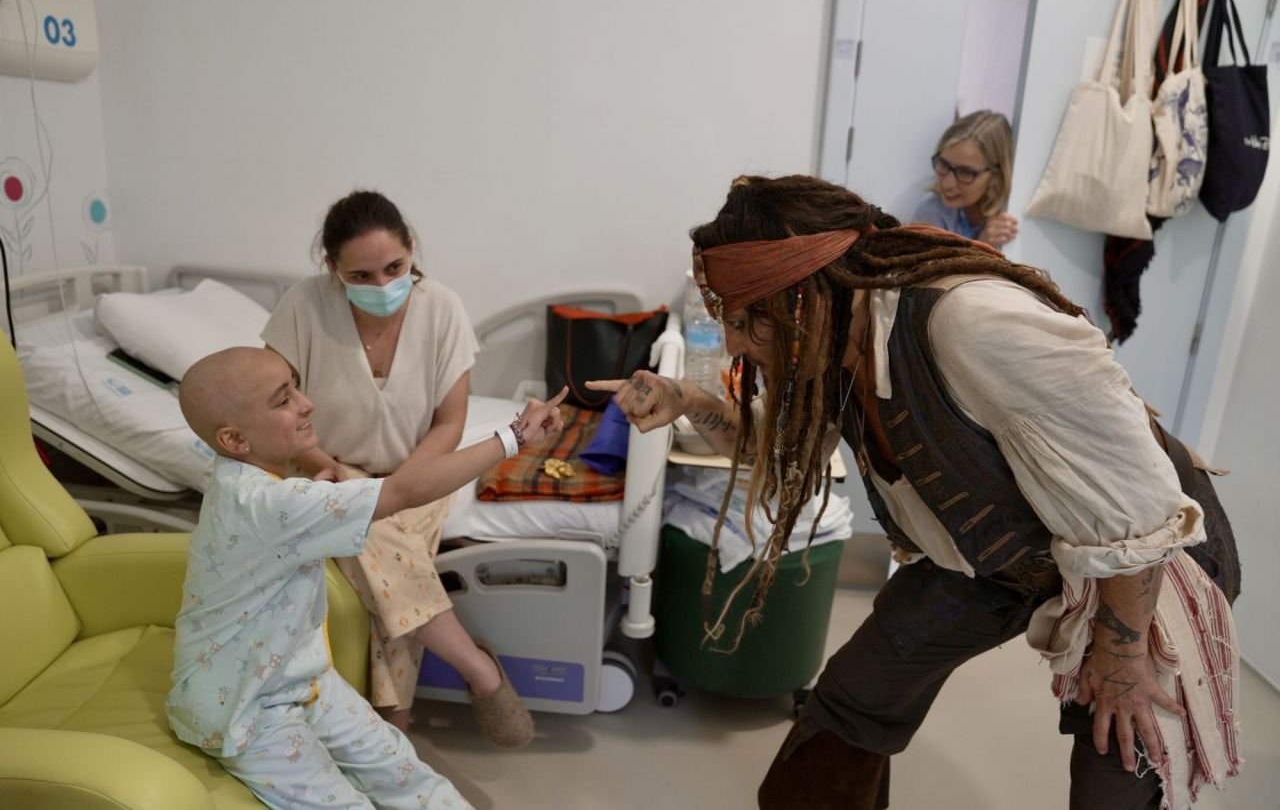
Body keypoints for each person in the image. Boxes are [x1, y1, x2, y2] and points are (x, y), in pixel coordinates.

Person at [588, 175, 1240, 810]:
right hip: (992, 555)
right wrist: (688, 400)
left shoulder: (970, 320)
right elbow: (776, 445)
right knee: (854, 697)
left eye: (743, 321)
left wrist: (1121, 656)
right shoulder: (835, 343)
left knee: (1117, 757)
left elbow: (1138, 507)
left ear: (804, 297)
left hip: (1142, 561)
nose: (733, 343)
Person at [168, 346, 565, 809]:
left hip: (304, 680)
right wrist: (515, 436)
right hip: (243, 708)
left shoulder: (255, 483)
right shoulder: (270, 504)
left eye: (297, 387)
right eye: (284, 400)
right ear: (235, 439)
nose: (307, 403)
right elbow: (403, 491)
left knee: (407, 773)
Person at [262, 190, 534, 745]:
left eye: (394, 267)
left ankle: (393, 729)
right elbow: (278, 412)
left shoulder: (442, 308)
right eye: (361, 275)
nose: (383, 285)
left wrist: (401, 487)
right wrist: (329, 467)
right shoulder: (303, 306)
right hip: (327, 469)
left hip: (421, 471)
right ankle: (473, 674)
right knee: (381, 540)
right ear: (331, 268)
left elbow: (450, 425)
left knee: (377, 539)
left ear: (411, 249)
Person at [912, 109, 1019, 247]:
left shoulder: (1011, 215)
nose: (947, 184)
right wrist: (981, 245)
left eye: (965, 172)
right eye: (943, 164)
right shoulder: (931, 210)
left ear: (996, 175)